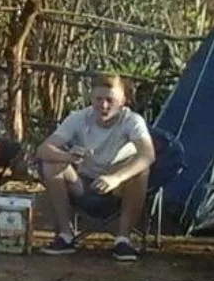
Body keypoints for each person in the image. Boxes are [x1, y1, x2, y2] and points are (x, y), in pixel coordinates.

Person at [37, 74, 157, 261]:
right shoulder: (78, 118)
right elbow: (44, 150)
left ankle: (123, 240)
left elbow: (148, 154)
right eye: (99, 99)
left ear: (123, 101)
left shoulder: (132, 121)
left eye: (110, 100)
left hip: (118, 185)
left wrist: (116, 178)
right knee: (52, 164)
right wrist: (68, 157)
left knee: (141, 170)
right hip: (82, 181)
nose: (104, 105)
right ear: (91, 99)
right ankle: (65, 235)